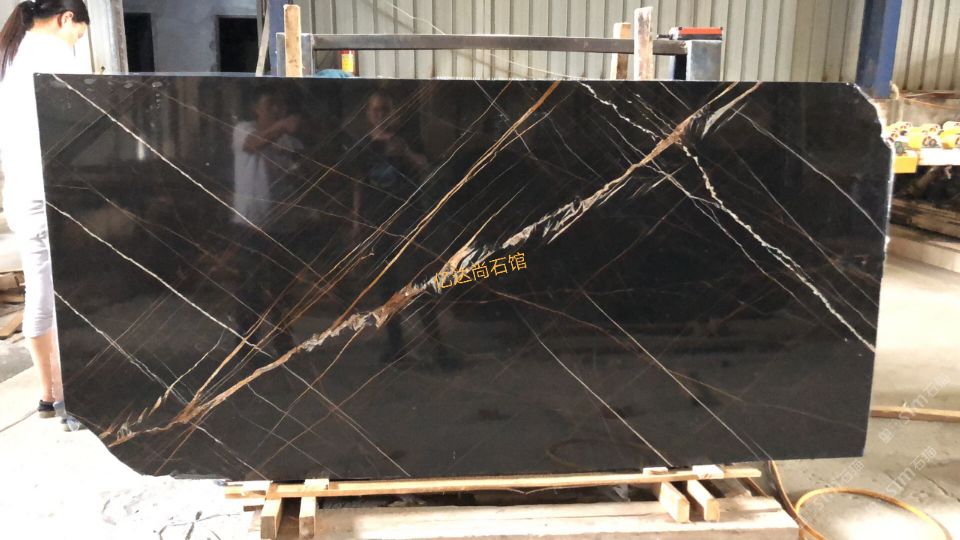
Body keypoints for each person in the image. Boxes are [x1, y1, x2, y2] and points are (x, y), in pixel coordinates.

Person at [0, 1, 90, 427]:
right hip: (48, 192)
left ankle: (48, 395)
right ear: (65, 18)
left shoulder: (10, 54)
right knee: (60, 294)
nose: (76, 42)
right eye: (79, 34)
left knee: (41, 288)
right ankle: (67, 396)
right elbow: (77, 127)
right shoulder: (53, 54)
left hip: (20, 190)